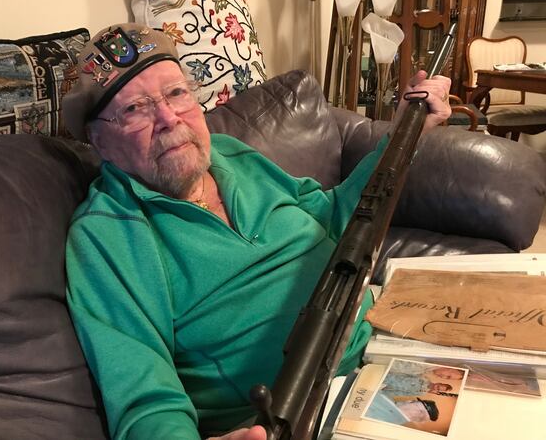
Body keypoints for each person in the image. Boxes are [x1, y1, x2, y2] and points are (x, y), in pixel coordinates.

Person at [62, 22, 452, 440]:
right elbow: (144, 399)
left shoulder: (232, 155)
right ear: (99, 142)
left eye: (176, 92)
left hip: (388, 348)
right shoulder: (107, 237)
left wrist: (401, 137)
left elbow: (335, 215)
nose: (168, 117)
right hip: (307, 418)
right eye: (135, 109)